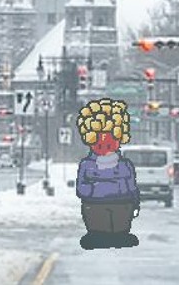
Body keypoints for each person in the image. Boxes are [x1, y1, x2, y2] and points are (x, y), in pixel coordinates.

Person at [76, 98, 140, 250]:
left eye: (110, 139)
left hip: (121, 204)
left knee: (119, 226)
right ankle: (99, 235)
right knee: (98, 225)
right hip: (95, 204)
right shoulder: (87, 165)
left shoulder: (125, 165)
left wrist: (134, 202)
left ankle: (119, 235)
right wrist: (94, 191)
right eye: (99, 139)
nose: (105, 143)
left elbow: (132, 186)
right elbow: (81, 187)